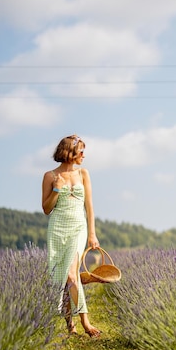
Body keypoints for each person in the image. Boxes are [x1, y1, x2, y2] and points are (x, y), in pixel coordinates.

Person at [42, 134, 101, 337]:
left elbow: (90, 207)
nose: (84, 155)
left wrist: (92, 234)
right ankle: (71, 326)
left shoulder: (83, 174)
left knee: (71, 274)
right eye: (81, 151)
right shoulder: (50, 176)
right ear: (70, 153)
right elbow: (46, 209)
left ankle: (86, 322)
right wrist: (57, 189)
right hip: (57, 228)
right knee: (62, 276)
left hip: (78, 227)